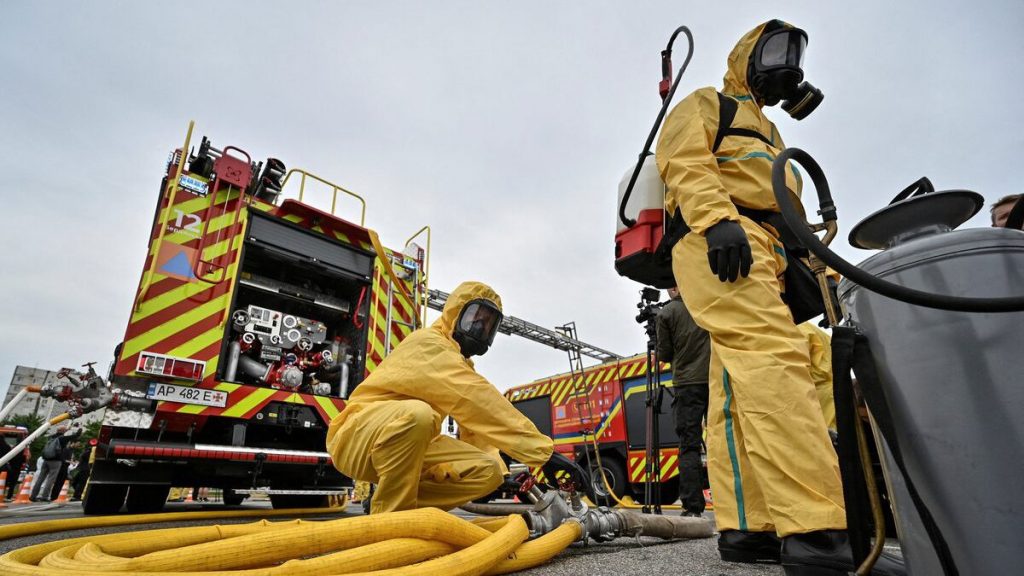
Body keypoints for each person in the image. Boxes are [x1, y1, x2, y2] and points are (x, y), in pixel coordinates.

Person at [655, 20, 902, 575]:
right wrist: (717, 220)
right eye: (775, 50)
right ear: (747, 58)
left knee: (735, 390)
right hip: (722, 242)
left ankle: (750, 527)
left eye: (796, 53)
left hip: (766, 250)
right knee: (777, 364)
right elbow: (682, 158)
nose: (788, 61)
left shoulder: (771, 134)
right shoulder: (709, 105)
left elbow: (783, 208)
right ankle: (818, 533)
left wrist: (814, 265)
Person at [326, 281, 590, 514]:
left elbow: (474, 428)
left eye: (489, 325)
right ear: (455, 313)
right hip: (357, 436)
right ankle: (390, 522)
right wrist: (543, 454)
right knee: (419, 415)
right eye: (476, 317)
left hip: (406, 444)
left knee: (488, 471)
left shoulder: (460, 365)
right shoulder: (429, 344)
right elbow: (476, 400)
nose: (481, 327)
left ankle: (397, 505)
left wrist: (502, 475)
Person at [655, 287, 710, 517]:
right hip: (716, 379)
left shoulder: (666, 314)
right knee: (728, 442)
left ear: (675, 287)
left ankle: (693, 507)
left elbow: (664, 354)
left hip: (687, 384)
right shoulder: (708, 302)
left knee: (689, 446)